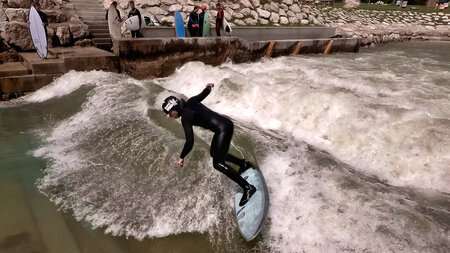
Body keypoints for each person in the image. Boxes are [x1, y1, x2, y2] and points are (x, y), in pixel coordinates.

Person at [162, 84, 256, 206]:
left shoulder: (185, 116)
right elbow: (204, 93)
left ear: (174, 108)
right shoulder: (191, 101)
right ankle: (243, 164)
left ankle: (248, 188)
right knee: (215, 153)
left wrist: (182, 157)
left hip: (223, 130)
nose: (170, 116)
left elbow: (190, 141)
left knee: (218, 163)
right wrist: (209, 87)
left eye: (170, 113)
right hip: (225, 126)